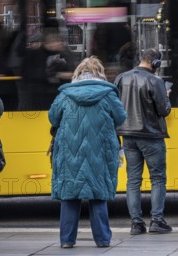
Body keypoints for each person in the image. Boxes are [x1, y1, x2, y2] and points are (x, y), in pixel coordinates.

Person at [48, 56, 127, 248]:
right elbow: (121, 117)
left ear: (78, 73)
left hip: (69, 150)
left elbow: (53, 117)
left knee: (69, 194)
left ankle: (67, 240)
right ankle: (102, 239)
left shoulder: (66, 94)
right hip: (99, 149)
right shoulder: (108, 93)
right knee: (98, 193)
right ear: (99, 73)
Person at [114, 48, 172, 235]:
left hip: (128, 136)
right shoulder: (155, 81)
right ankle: (157, 220)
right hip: (151, 135)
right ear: (155, 63)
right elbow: (164, 110)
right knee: (157, 178)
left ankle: (136, 224)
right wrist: (167, 97)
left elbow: (115, 105)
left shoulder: (121, 78)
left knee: (133, 180)